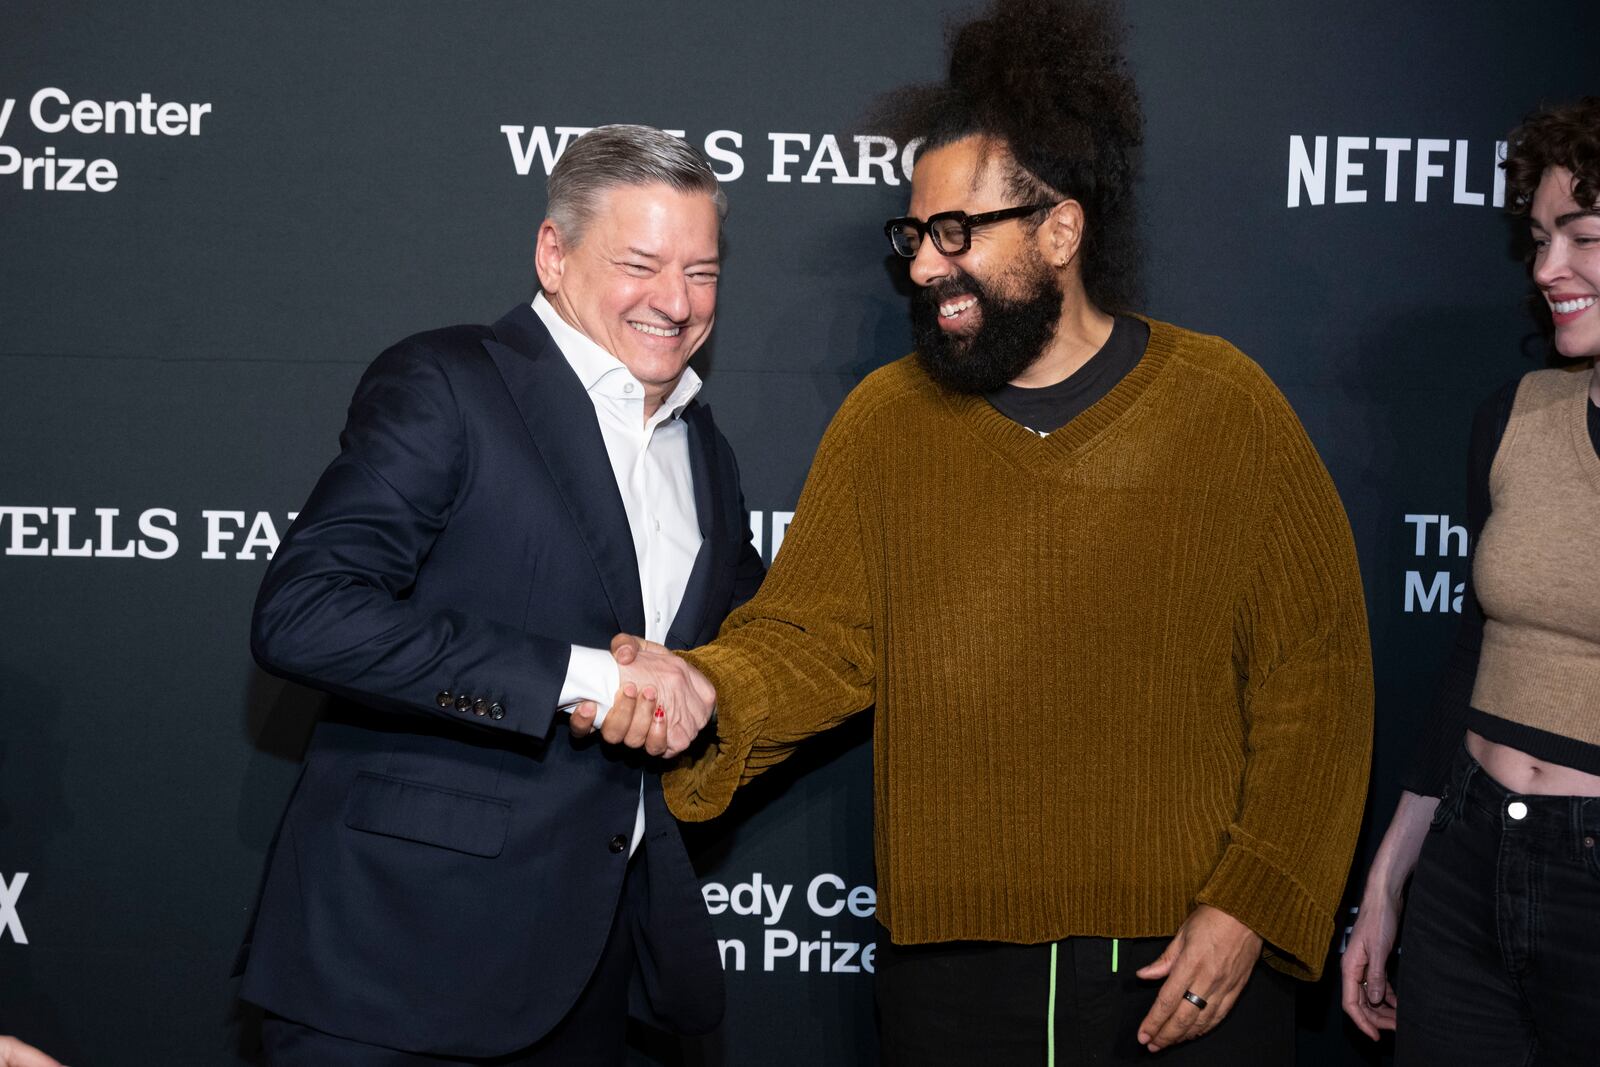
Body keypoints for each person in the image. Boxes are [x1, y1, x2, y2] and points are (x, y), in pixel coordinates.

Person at [576, 0, 1373, 1060]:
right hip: (946, 987)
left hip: (1181, 969)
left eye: (958, 234)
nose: (921, 265)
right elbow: (816, 640)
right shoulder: (887, 419)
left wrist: (1253, 899)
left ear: (1060, 227)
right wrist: (707, 685)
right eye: (914, 236)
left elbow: (1316, 677)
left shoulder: (1226, 406)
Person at [239, 124, 761, 1065]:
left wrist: (705, 681)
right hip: (396, 967)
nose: (676, 302)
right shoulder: (449, 383)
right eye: (640, 263)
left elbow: (745, 646)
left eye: (704, 272)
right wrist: (579, 677)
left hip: (598, 977)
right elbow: (306, 611)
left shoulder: (705, 452)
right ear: (552, 254)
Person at [1341, 98, 1600, 1066]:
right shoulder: (1516, 415)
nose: (1545, 271)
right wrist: (1388, 884)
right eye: (1537, 238)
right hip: (1467, 854)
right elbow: (1470, 659)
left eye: (1582, 236)